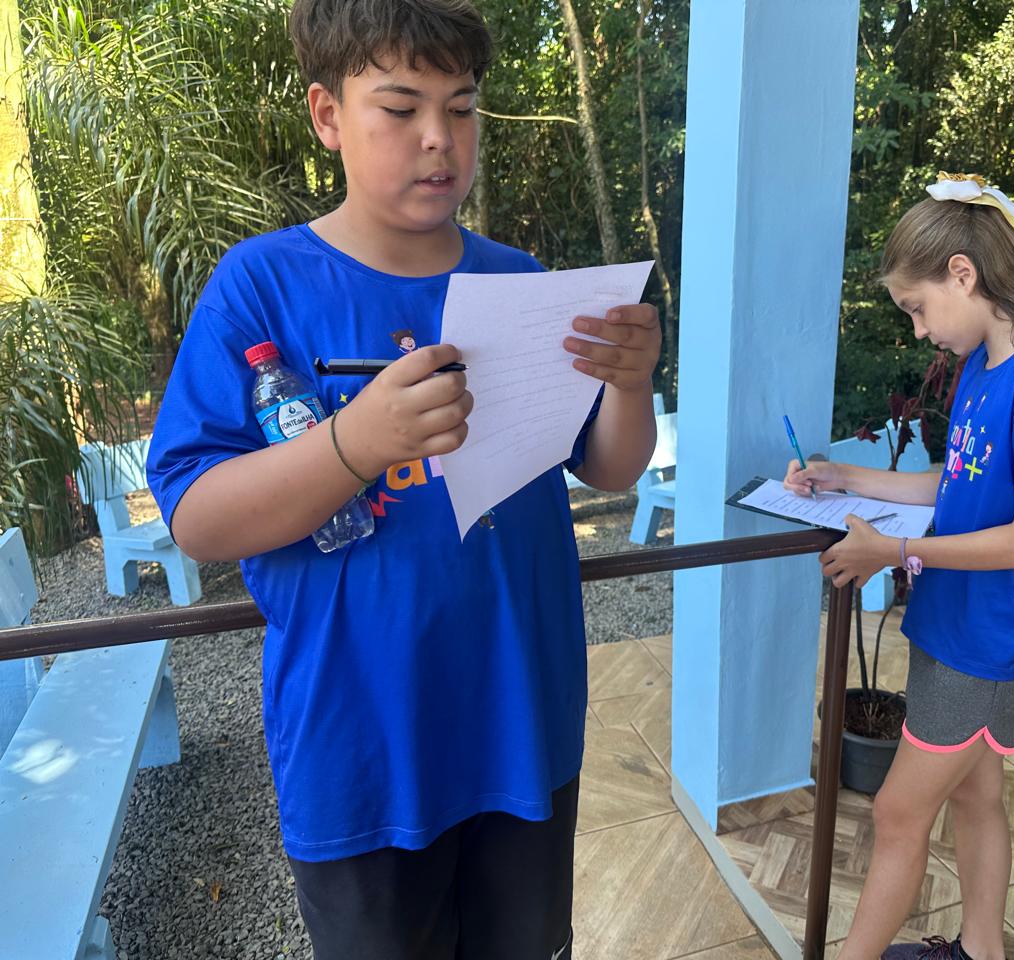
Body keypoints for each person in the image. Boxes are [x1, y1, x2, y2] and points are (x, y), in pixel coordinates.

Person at [146, 2, 660, 957]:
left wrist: (632, 384)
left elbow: (607, 463)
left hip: (522, 720)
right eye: (400, 108)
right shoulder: (260, 287)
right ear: (327, 115)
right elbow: (197, 518)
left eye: (461, 108)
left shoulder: (520, 280)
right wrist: (354, 443)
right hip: (363, 750)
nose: (439, 138)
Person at [785, 173, 1014, 960]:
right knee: (975, 793)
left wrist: (893, 551)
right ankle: (980, 950)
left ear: (962, 274)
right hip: (956, 624)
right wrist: (845, 477)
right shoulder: (983, 365)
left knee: (898, 813)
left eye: (917, 307)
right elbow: (959, 484)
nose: (917, 330)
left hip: (997, 641)